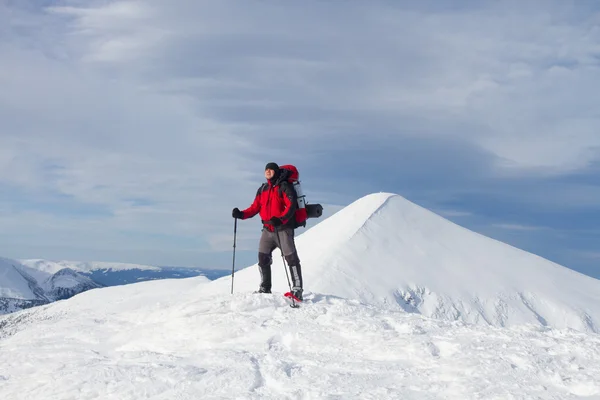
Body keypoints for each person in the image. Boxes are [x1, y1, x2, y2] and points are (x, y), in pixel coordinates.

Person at [232, 162, 304, 300]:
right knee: (262, 257)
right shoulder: (263, 189)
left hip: (283, 229)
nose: (268, 172)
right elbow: (255, 207)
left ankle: (297, 289)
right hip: (267, 230)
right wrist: (241, 214)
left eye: (271, 170)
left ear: (276, 171)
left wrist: (281, 219)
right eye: (266, 170)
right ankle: (265, 288)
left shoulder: (285, 187)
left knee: (291, 259)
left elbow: (291, 206)